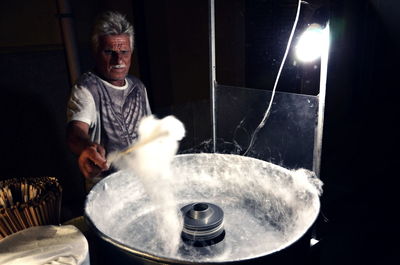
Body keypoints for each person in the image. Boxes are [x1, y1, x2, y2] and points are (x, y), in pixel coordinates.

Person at [66, 11, 151, 189]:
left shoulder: (138, 87)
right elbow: (75, 132)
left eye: (124, 52)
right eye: (109, 52)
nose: (118, 60)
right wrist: (86, 148)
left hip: (141, 182)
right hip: (108, 187)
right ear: (96, 52)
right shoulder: (88, 88)